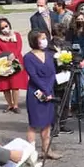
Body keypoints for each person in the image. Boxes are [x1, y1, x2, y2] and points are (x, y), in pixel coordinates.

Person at [24, 30, 61, 158]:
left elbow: (52, 73)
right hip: (35, 91)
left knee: (47, 122)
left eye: (46, 38)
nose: (45, 40)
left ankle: (46, 150)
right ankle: (31, 152)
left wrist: (49, 89)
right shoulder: (28, 57)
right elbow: (33, 76)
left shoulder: (49, 54)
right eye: (42, 38)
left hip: (49, 90)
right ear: (34, 40)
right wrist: (44, 90)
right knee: (34, 123)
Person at [0, 18, 28, 114]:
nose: (5, 28)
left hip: (16, 61)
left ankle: (16, 105)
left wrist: (13, 56)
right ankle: (10, 104)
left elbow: (19, 47)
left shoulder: (16, 35)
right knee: (5, 86)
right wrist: (6, 57)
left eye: (6, 26)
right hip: (3, 63)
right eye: (2, 28)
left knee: (15, 85)